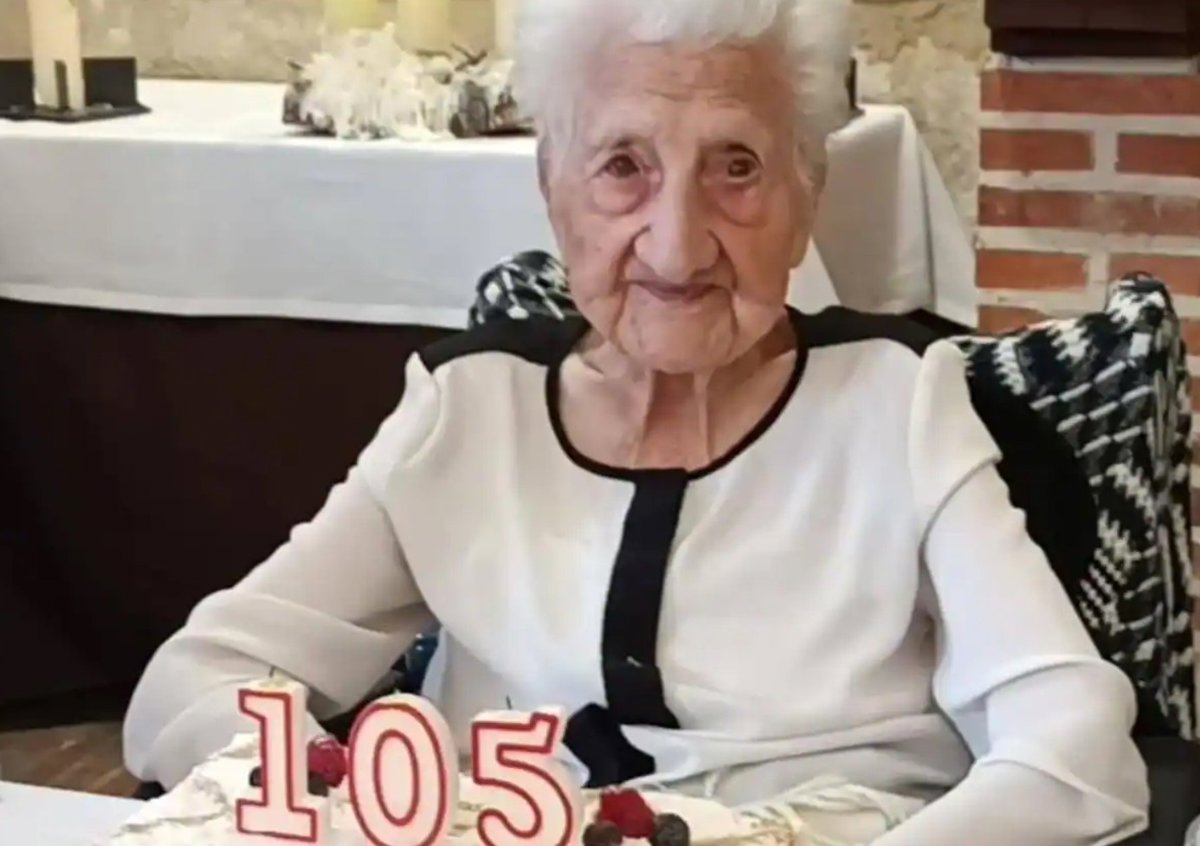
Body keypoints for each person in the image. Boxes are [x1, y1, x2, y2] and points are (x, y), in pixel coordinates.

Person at [123, 0, 1150, 842]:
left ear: (807, 193)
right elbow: (191, 683)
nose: (676, 243)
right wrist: (342, 796)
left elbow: (1075, 755)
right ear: (553, 185)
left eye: (736, 167)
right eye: (623, 165)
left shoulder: (899, 406)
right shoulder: (465, 413)